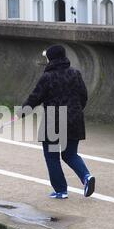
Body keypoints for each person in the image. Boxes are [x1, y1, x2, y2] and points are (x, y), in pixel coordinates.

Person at [17, 45, 95, 199]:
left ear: (51, 58)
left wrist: (21, 113)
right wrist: (76, 110)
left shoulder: (47, 77)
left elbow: (35, 98)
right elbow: (83, 96)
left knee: (52, 156)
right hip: (74, 119)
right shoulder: (75, 74)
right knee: (70, 154)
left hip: (53, 120)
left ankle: (61, 190)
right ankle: (86, 177)